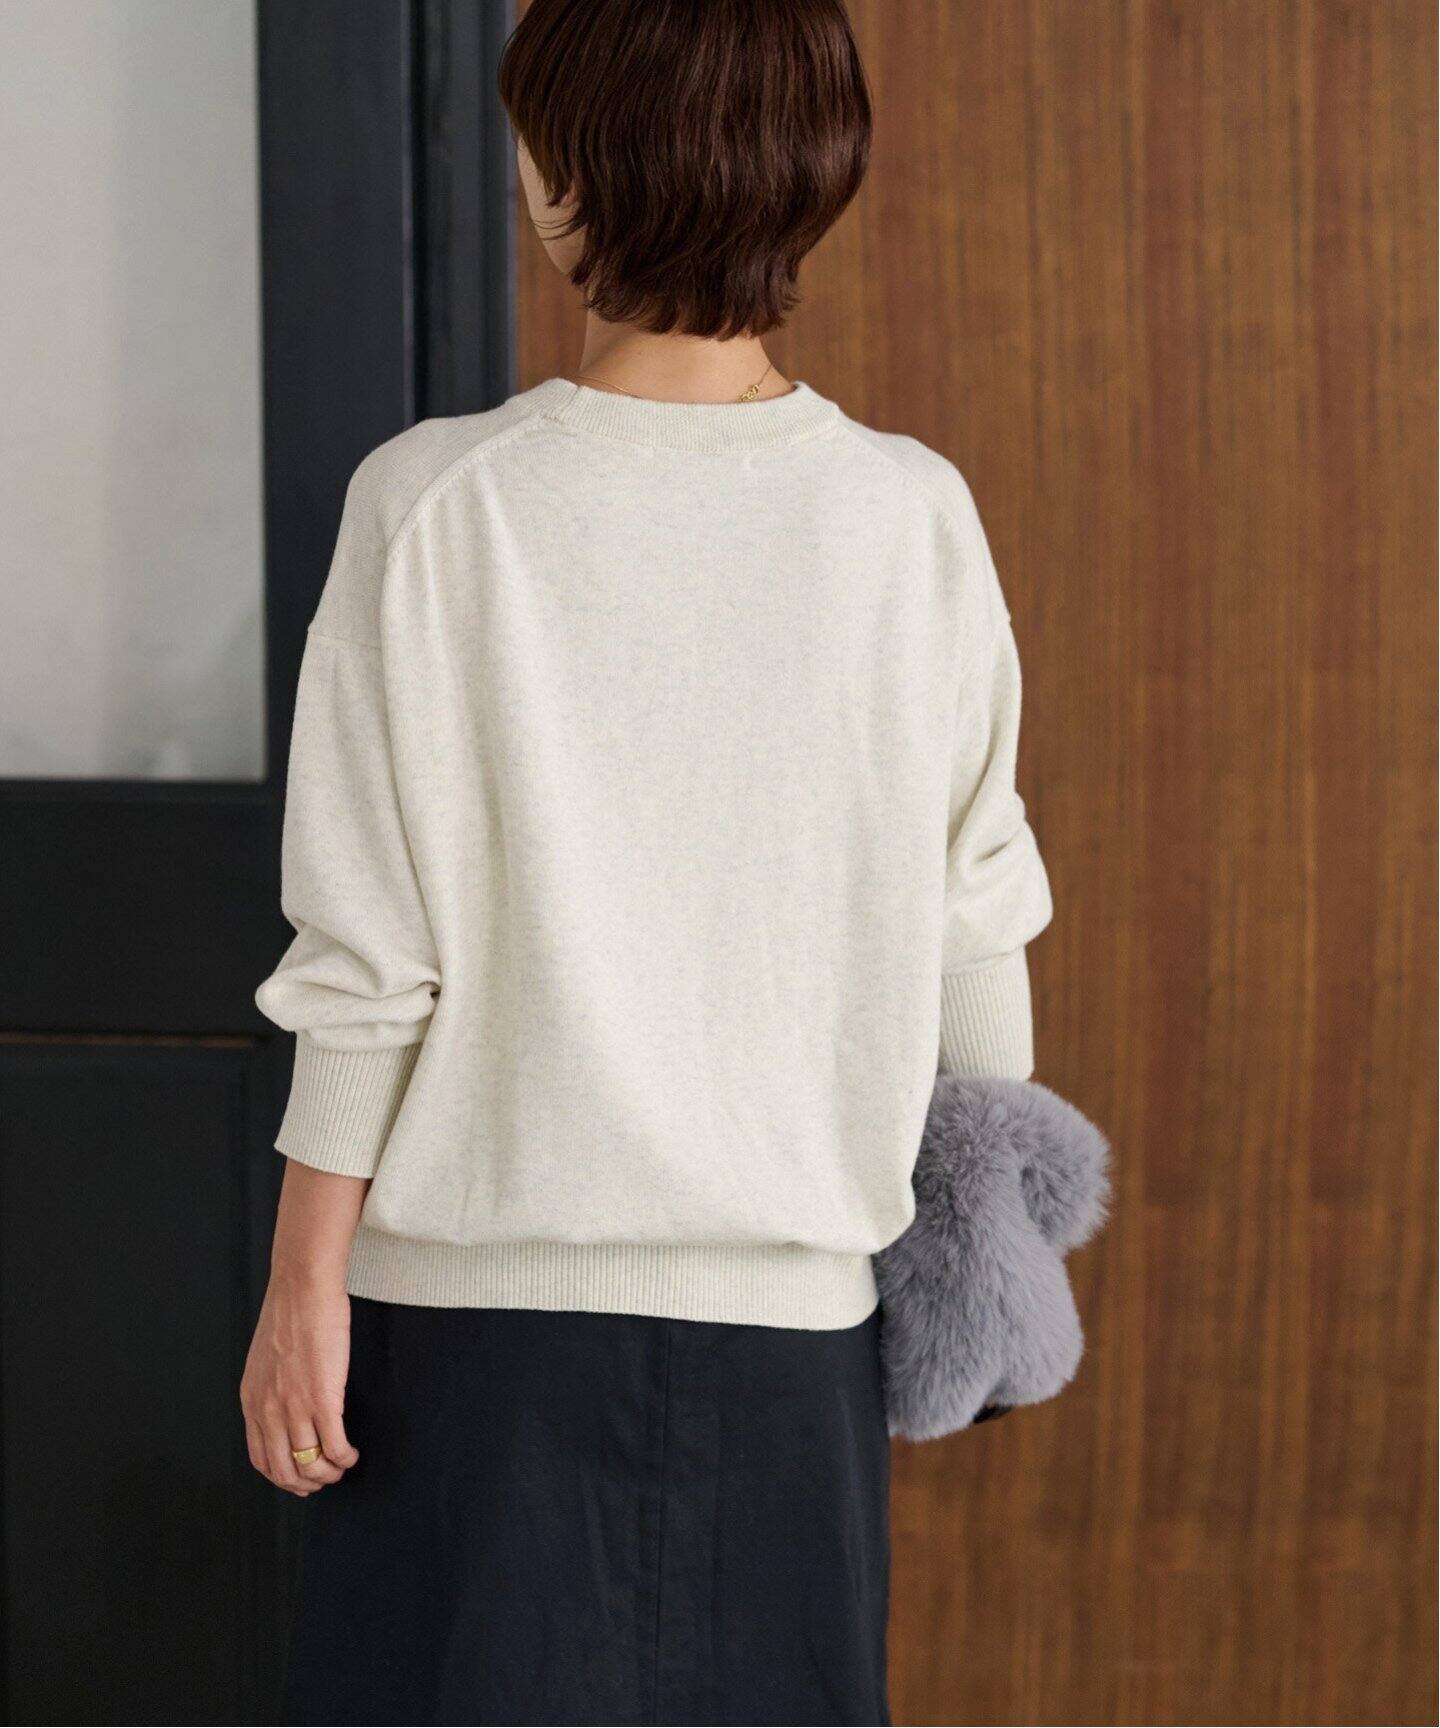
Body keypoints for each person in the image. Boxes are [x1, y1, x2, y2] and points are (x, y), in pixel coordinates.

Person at [243, 1, 1052, 1721]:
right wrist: (991, 1280)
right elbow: (975, 923)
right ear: (808, 173)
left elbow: (368, 958)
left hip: (464, 1350)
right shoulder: (910, 517)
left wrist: (301, 1285)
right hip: (797, 1357)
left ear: (568, 175)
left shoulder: (438, 504)